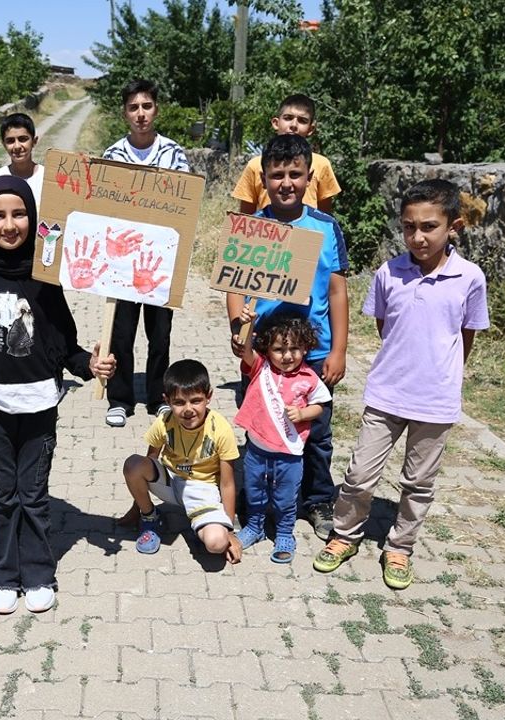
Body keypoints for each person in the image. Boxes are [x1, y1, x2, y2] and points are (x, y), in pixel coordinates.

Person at [0, 176, 116, 615]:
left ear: (33, 218)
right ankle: (5, 576)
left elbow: (62, 344)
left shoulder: (46, 275)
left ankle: (40, 573)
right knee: (3, 495)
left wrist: (90, 365)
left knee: (34, 493)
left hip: (40, 407)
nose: (10, 225)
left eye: (20, 214)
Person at [314, 179, 489, 590]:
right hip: (386, 393)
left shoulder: (470, 278)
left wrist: (440, 374)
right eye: (409, 227)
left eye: (429, 227)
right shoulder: (388, 272)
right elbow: (385, 327)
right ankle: (345, 535)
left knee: (418, 483)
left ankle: (400, 546)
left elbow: (465, 336)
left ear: (454, 227)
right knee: (359, 474)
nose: (418, 236)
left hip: (436, 400)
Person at [226, 134, 349, 540]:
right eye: (277, 175)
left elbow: (337, 291)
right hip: (263, 353)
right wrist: (238, 330)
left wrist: (339, 350)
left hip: (313, 352)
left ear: (309, 177)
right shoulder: (251, 228)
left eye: (295, 174)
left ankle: (317, 500)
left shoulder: (326, 227)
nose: (286, 183)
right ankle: (257, 501)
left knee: (317, 433)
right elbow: (234, 287)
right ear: (263, 179)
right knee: (260, 429)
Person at [100, 78, 190, 428]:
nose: (140, 114)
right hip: (122, 261)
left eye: (146, 106)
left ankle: (158, 398)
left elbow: (183, 205)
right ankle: (120, 399)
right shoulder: (113, 155)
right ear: (124, 113)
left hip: (160, 260)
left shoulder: (173, 153)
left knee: (160, 333)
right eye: (133, 107)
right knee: (120, 332)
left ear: (156, 110)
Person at [120, 359, 242, 564]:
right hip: (170, 480)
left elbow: (228, 483)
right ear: (167, 400)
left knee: (217, 543)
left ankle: (204, 525)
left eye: (196, 401)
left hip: (202, 489)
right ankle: (151, 518)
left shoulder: (220, 429)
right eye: (179, 402)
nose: (188, 409)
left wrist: (229, 529)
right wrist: (137, 507)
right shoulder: (164, 422)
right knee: (133, 464)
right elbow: (150, 461)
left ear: (209, 397)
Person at [234, 314, 332, 563]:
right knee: (255, 491)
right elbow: (245, 349)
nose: (287, 356)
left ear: (306, 348)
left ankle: (285, 532)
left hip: (290, 454)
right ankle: (254, 527)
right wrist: (248, 324)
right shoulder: (260, 367)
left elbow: (320, 405)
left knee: (286, 497)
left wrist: (304, 414)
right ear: (267, 349)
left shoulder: (309, 377)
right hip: (257, 450)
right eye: (279, 350)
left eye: (295, 349)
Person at [231, 93, 341, 215]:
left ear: (311, 129)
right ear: (276, 123)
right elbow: (245, 217)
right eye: (288, 118)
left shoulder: (322, 164)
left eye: (302, 121)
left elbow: (324, 216)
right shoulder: (255, 165)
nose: (294, 125)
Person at [0, 113, 45, 211]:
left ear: (34, 141)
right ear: (4, 144)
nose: (17, 146)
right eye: (10, 141)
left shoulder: (47, 178)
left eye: (23, 139)